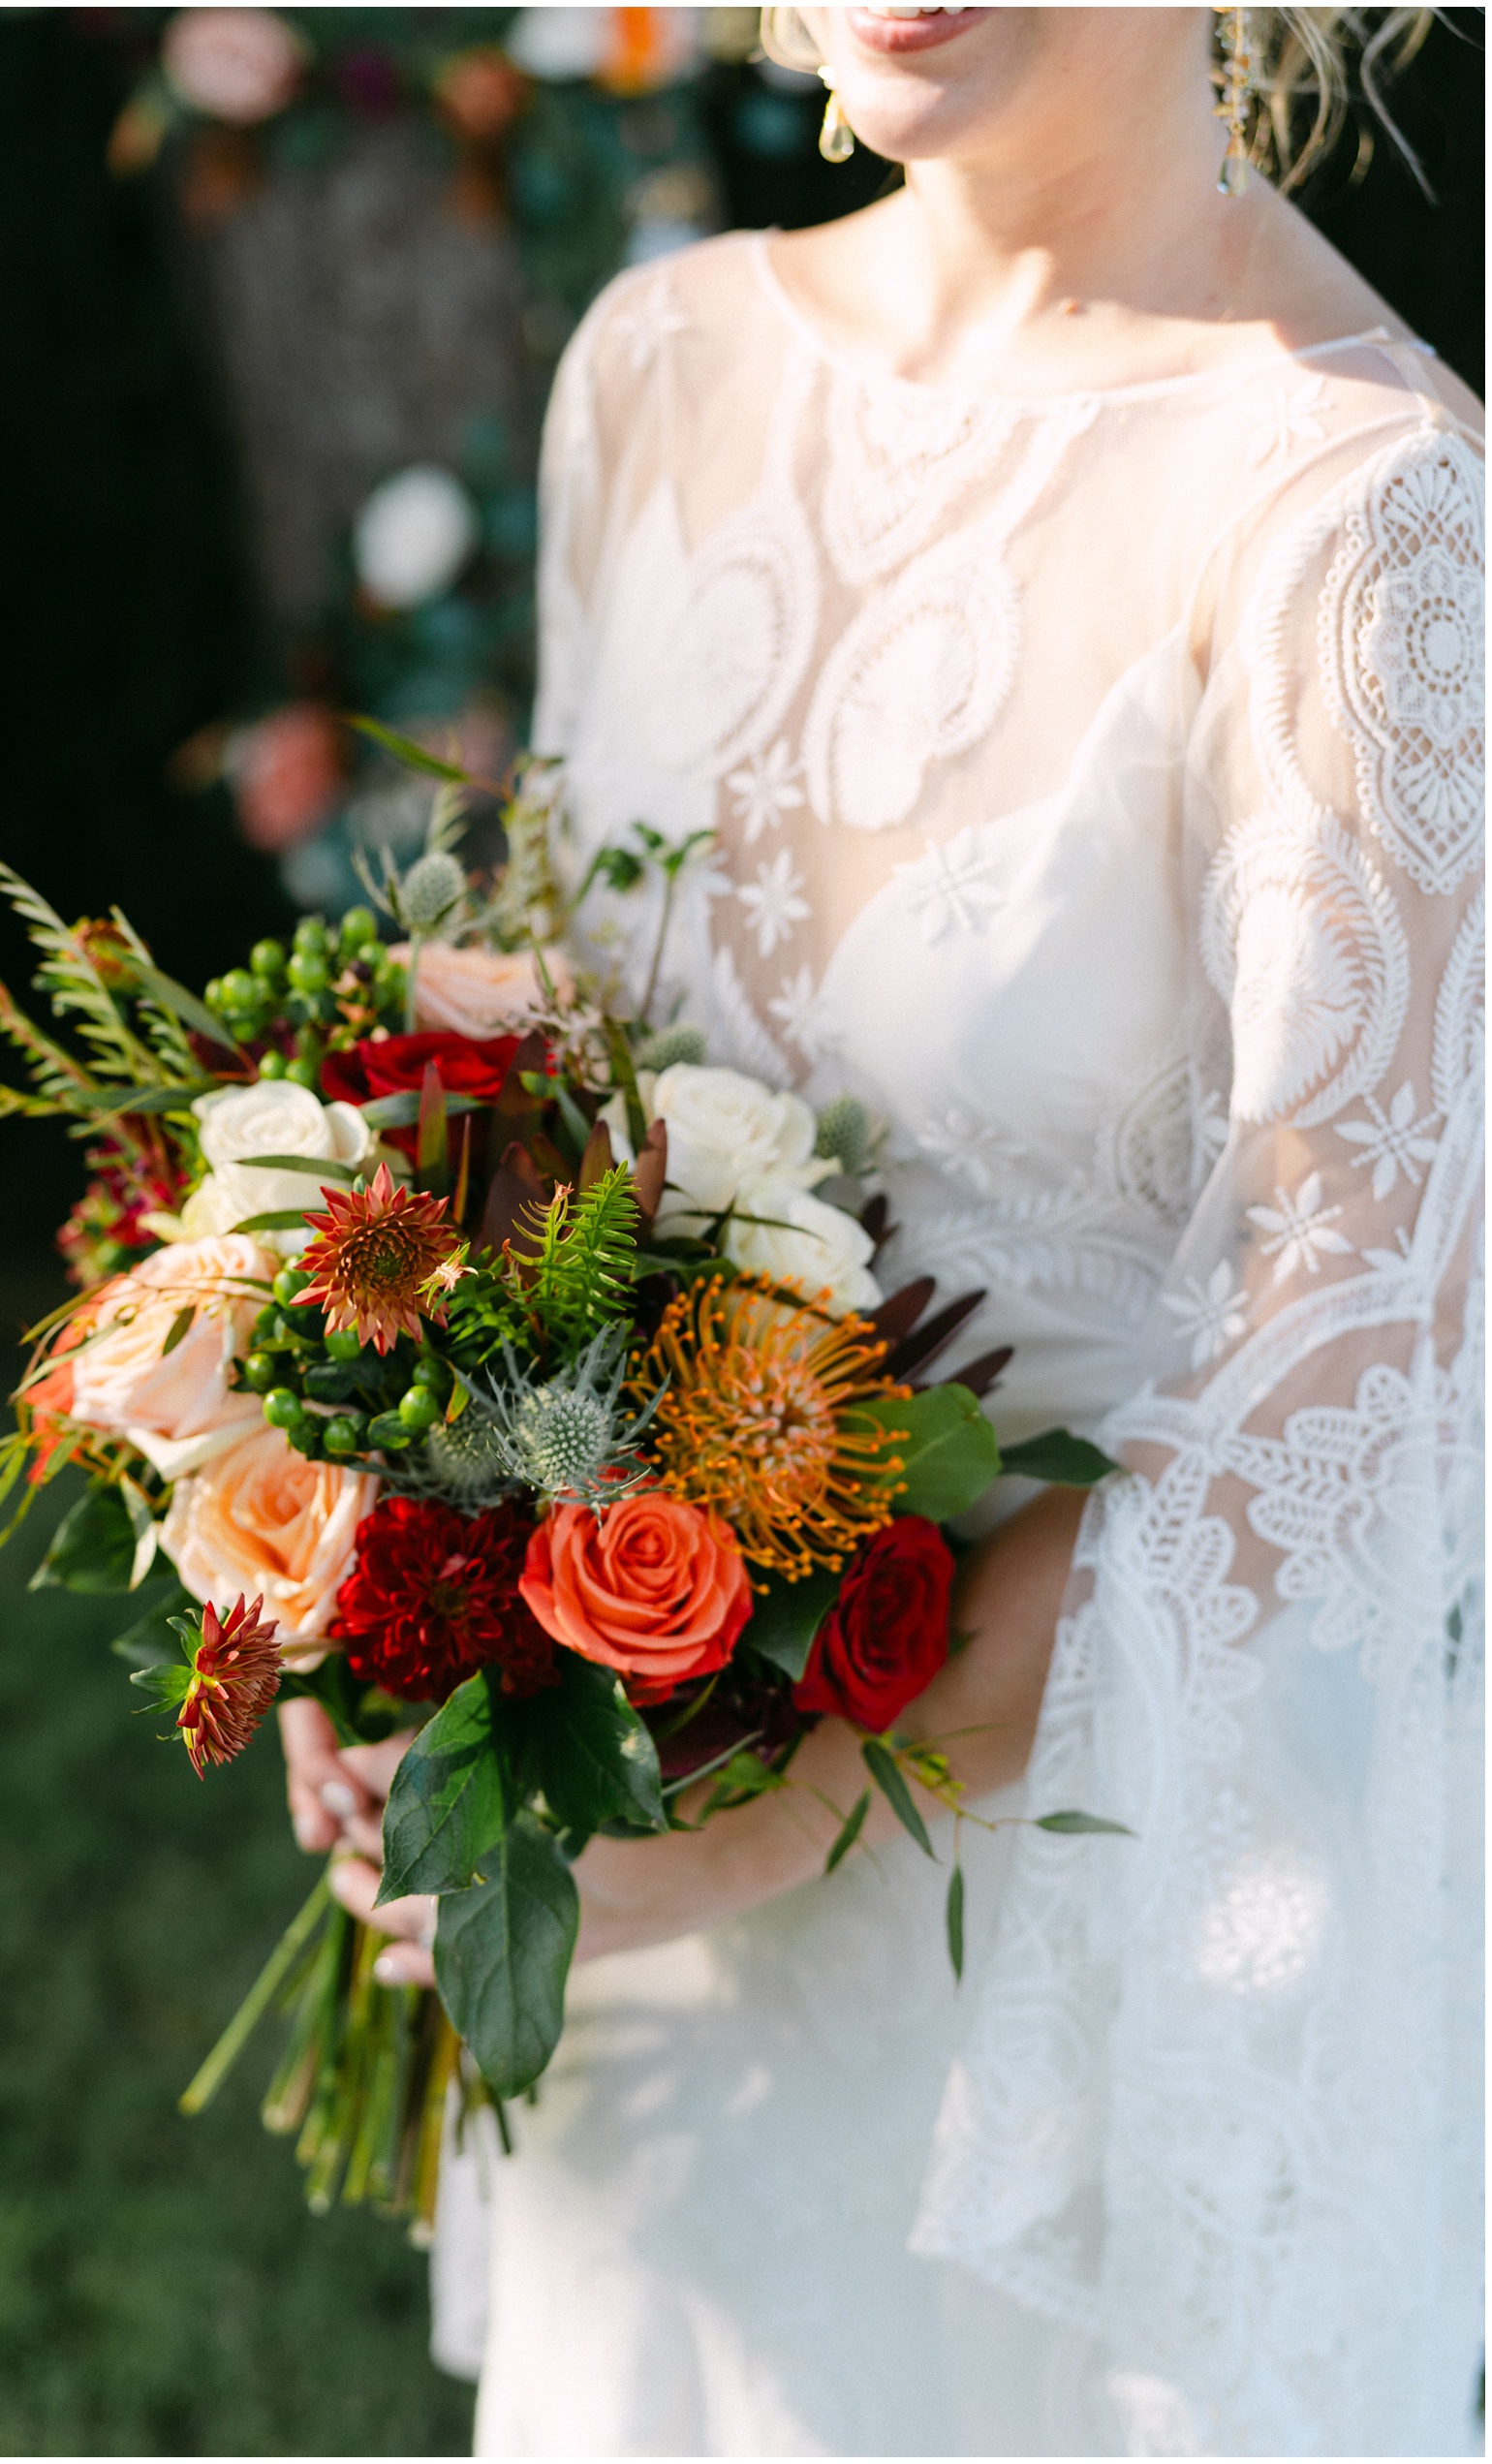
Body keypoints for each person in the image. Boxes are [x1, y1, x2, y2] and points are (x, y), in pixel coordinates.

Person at [284, 8, 1484, 2451]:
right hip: (623, 1929)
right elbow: (541, 1063)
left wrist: (760, 1829)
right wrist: (348, 1551)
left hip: (1044, 1966)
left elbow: (1342, 1405)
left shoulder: (1364, 519)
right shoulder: (661, 362)